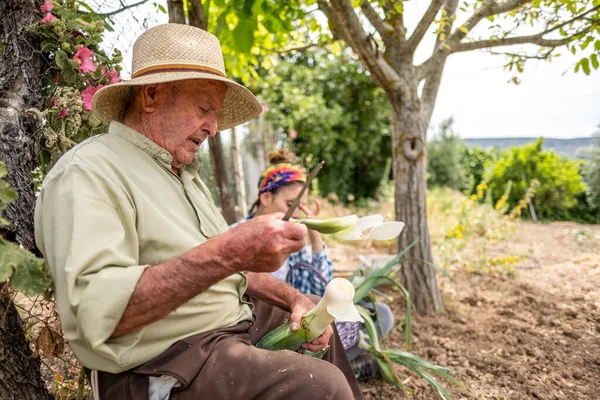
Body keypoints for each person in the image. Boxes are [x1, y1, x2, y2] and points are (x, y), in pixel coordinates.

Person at [34, 24, 363, 400]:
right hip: (163, 363)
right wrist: (229, 251)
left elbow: (227, 266)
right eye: (204, 109)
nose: (212, 128)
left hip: (226, 333)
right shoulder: (89, 171)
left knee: (317, 328)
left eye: (217, 115)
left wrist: (294, 299)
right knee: (320, 386)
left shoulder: (183, 175)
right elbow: (95, 313)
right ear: (152, 95)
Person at [237, 150, 395, 380]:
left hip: (304, 316)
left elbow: (320, 291)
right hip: (273, 328)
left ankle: (333, 367)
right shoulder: (235, 235)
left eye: (302, 206)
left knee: (381, 313)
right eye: (291, 204)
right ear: (266, 197)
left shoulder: (293, 236)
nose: (298, 213)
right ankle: (346, 369)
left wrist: (315, 237)